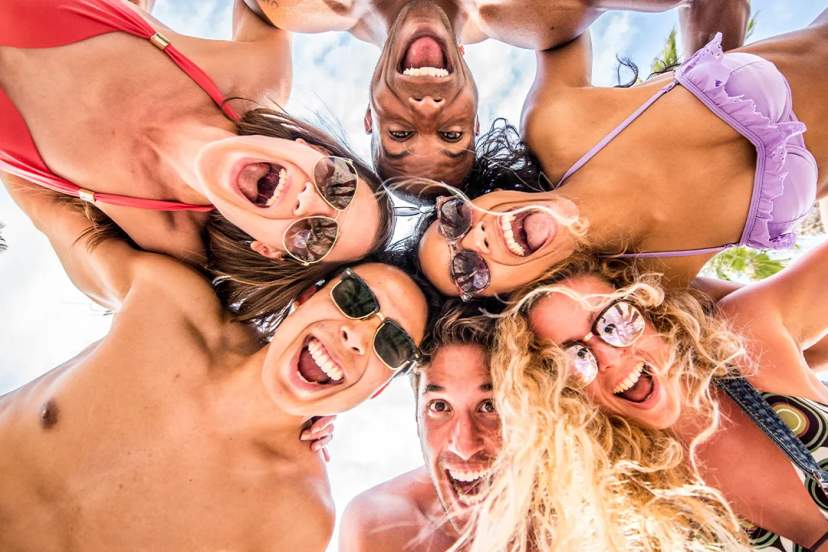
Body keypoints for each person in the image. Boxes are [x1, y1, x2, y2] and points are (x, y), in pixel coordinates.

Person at [0, 177, 428, 551]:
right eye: (356, 298)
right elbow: (41, 198)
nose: (357, 335)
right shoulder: (170, 305)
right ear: (306, 298)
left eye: (392, 344)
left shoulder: (296, 518)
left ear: (377, 389)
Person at [416, 10, 828, 299]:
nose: (476, 238)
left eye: (454, 219)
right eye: (467, 271)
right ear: (509, 297)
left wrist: (467, 19)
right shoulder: (653, 282)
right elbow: (796, 327)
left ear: (478, 196)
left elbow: (556, 14)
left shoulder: (556, 124)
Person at [0, 0, 391, 281]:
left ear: (269, 249)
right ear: (313, 150)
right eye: (338, 184)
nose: (309, 201)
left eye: (316, 237)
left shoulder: (161, 244)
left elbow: (120, 292)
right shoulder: (254, 77)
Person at [478, 238, 828, 551]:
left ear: (653, 310)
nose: (609, 356)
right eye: (573, 358)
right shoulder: (633, 522)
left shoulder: (746, 342)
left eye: (616, 319)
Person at [244, 0, 748, 193]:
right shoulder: (541, 11)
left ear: (370, 120)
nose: (427, 111)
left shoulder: (298, 5)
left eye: (400, 134)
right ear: (475, 117)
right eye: (451, 134)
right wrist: (711, 109)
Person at [339, 301, 499, 552]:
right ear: (417, 415)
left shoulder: (566, 512)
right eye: (439, 406)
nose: (465, 446)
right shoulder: (380, 528)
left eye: (490, 406)